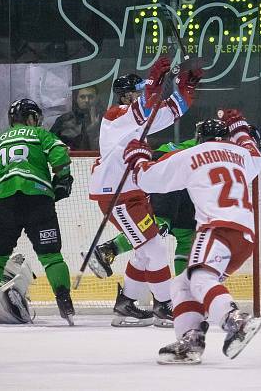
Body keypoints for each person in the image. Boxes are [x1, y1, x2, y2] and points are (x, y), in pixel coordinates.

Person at [123, 113, 261, 364]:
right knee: (181, 284)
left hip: (216, 228)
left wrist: (138, 156)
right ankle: (191, 340)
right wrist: (241, 126)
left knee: (200, 278)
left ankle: (235, 321)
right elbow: (254, 151)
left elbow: (148, 179)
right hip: (245, 236)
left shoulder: (192, 154)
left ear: (200, 137)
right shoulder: (243, 155)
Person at [89, 57, 200, 328]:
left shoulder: (140, 117)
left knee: (144, 252)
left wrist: (187, 85)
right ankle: (164, 306)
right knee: (156, 250)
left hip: (133, 191)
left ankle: (126, 303)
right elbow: (147, 104)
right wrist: (154, 81)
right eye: (137, 91)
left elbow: (175, 108)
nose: (141, 95)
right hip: (116, 194)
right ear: (126, 95)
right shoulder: (114, 116)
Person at [0, 98, 75, 325]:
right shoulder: (39, 135)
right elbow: (60, 152)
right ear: (31, 117)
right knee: (51, 256)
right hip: (37, 200)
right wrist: (62, 179)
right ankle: (65, 304)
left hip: (5, 202)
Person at [49, 86, 103, 150]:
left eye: (90, 97)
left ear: (97, 98)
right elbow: (50, 144)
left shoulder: (105, 120)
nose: (86, 100)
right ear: (76, 99)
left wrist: (94, 131)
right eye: (82, 97)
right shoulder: (65, 120)